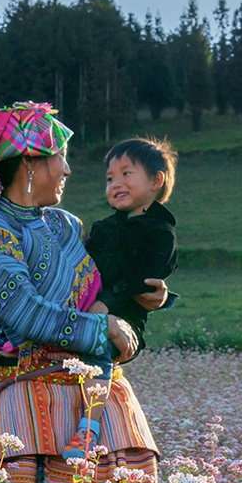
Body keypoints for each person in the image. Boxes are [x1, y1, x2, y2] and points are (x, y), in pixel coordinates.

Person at [0, 102, 168, 483]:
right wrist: (103, 329)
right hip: (30, 408)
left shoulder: (67, 225)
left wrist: (147, 295)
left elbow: (106, 285)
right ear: (28, 163)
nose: (67, 169)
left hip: (105, 402)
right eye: (60, 157)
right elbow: (23, 312)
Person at [85, 137, 179, 343]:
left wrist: (105, 303)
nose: (116, 184)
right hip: (85, 311)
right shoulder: (103, 227)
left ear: (156, 181)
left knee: (98, 355)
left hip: (124, 320)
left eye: (126, 174)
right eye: (110, 179)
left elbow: (140, 279)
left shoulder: (160, 233)